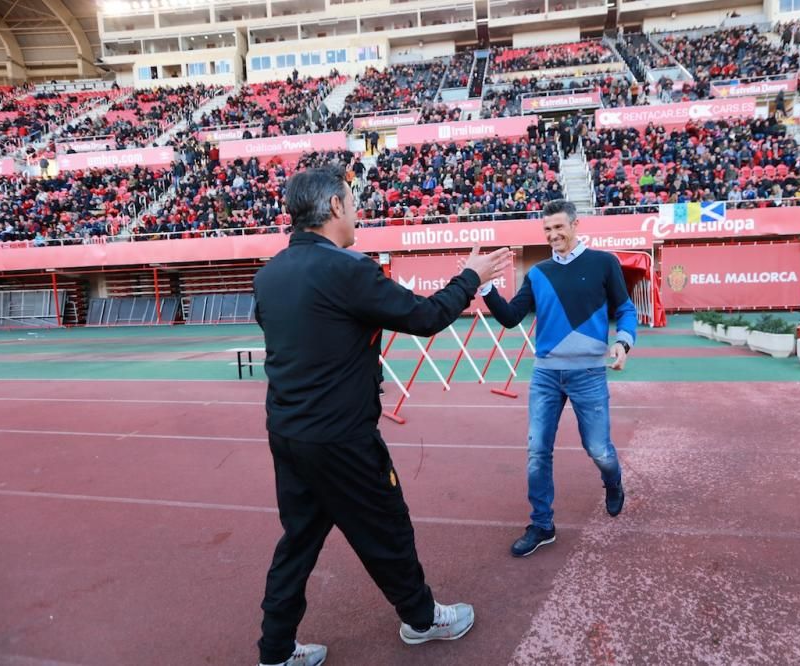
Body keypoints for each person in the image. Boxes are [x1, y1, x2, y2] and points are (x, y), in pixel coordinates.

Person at [252, 166, 511, 666]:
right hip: (342, 439)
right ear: (333, 208)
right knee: (387, 527)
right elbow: (426, 317)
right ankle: (421, 619)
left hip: (288, 433)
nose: (357, 212)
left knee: (298, 542)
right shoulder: (348, 269)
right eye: (352, 202)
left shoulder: (269, 275)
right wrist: (471, 277)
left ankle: (275, 651)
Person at [480, 200, 637, 557]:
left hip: (589, 375)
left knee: (598, 449)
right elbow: (510, 317)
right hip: (546, 375)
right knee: (537, 451)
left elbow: (625, 309)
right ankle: (542, 524)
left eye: (558, 228)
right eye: (547, 230)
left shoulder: (604, 263)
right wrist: (486, 289)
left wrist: (624, 342)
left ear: (575, 225)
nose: (553, 235)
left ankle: (613, 482)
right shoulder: (538, 273)